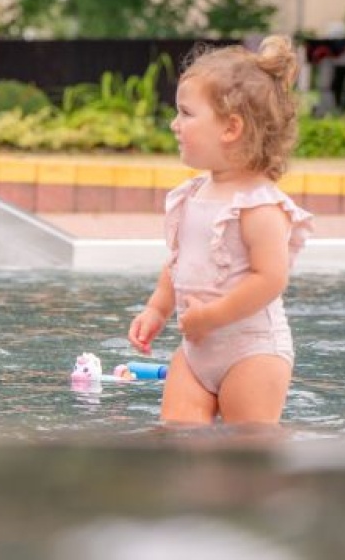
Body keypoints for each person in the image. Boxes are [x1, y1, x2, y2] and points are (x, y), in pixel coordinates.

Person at [127, 36, 314, 425]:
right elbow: (179, 261)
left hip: (253, 351)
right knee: (177, 438)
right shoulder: (194, 194)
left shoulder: (259, 206)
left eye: (186, 113)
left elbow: (270, 279)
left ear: (230, 128)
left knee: (246, 457)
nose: (174, 124)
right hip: (197, 350)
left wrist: (211, 316)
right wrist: (157, 309)